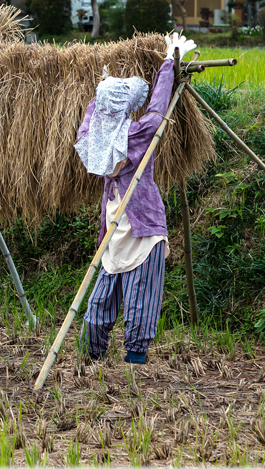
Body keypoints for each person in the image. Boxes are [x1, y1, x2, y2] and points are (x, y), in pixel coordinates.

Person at [74, 32, 197, 364]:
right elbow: (92, 118)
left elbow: (157, 110)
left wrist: (169, 65)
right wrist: (100, 96)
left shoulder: (135, 135)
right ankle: (90, 358)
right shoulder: (95, 138)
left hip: (143, 233)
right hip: (114, 232)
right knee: (98, 305)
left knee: (140, 304)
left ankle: (135, 362)